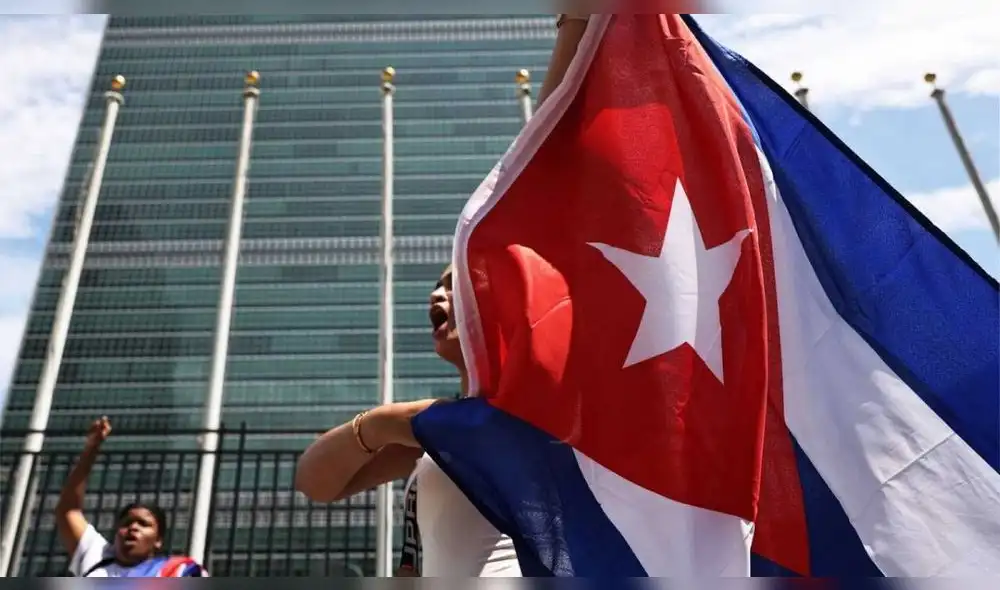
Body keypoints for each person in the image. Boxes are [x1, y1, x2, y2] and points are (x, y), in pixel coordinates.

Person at [294, 14, 590, 577]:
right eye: (436, 286)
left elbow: (542, 173)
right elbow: (315, 481)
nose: (438, 295)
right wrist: (382, 423)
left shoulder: (550, 403)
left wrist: (577, 24)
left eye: (458, 286)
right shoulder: (441, 429)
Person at [55, 417, 208, 577]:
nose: (133, 528)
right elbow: (68, 510)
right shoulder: (95, 556)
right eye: (127, 523)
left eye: (144, 524)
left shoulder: (177, 571)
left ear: (158, 541)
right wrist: (91, 448)